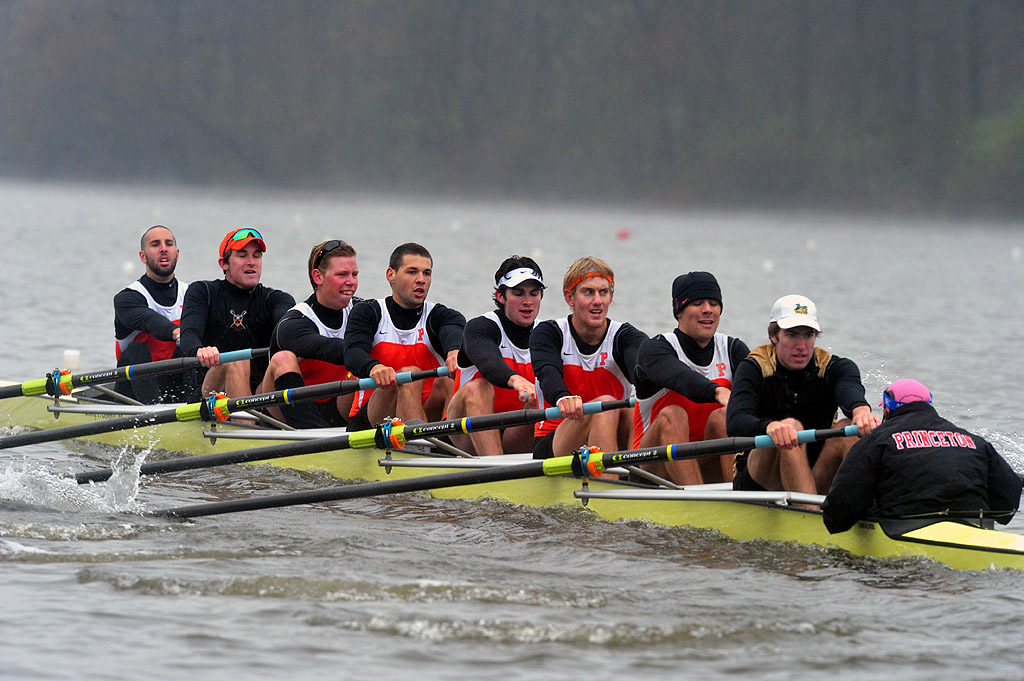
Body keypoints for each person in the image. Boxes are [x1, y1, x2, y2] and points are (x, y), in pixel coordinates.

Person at [726, 294, 878, 496]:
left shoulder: (835, 367)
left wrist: (861, 412)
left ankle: (876, 508)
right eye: (791, 335)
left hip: (815, 473)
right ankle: (811, 515)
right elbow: (736, 422)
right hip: (760, 479)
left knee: (848, 428)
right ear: (774, 336)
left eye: (808, 335)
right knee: (791, 427)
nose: (801, 345)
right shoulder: (753, 368)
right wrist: (770, 427)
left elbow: (849, 389)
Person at [822, 379, 1021, 533]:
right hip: (975, 524)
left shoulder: (876, 441)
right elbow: (1007, 507)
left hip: (903, 528)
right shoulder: (975, 442)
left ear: (886, 410)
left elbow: (837, 517)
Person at [633, 271, 750, 484]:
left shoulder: (733, 349)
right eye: (698, 303)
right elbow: (681, 377)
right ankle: (697, 499)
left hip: (706, 462)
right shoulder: (655, 349)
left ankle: (739, 495)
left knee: (722, 417)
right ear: (679, 311)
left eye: (714, 303)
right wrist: (718, 391)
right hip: (653, 467)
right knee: (673, 414)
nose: (708, 310)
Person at [531, 256, 646, 460]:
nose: (598, 301)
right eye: (588, 292)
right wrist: (561, 396)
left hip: (612, 430)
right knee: (606, 404)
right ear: (570, 298)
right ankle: (612, 484)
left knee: (633, 408)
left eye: (604, 292)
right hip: (555, 439)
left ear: (611, 296)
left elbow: (643, 368)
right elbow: (547, 372)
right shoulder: (549, 333)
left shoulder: (625, 336)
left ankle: (634, 475)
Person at [343, 242, 465, 428]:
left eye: (427, 273)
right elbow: (353, 353)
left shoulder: (441, 316)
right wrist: (373, 367)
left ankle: (442, 445)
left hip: (425, 415)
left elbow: (453, 330)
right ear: (391, 275)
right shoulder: (368, 312)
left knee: (447, 381)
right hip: (372, 419)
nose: (421, 280)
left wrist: (455, 351)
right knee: (409, 376)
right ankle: (424, 447)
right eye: (412, 272)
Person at [178, 228, 295, 398]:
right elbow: (188, 334)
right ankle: (247, 422)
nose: (251, 262)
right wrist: (200, 350)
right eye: (242, 255)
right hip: (210, 391)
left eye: (256, 255)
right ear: (224, 264)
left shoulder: (277, 299)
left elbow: (289, 334)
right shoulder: (202, 292)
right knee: (235, 359)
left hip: (259, 392)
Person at [447, 256, 544, 456]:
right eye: (518, 293)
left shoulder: (547, 334)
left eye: (534, 294)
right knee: (478, 388)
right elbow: (488, 361)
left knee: (537, 400)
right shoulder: (480, 327)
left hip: (515, 433)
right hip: (465, 433)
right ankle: (496, 468)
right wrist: (517, 380)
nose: (528, 301)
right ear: (500, 296)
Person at [260, 240, 360, 428]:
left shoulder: (363, 310)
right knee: (283, 359)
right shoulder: (294, 322)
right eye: (342, 274)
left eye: (354, 274)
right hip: (288, 415)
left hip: (338, 407)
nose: (351, 282)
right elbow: (329, 349)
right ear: (318, 277)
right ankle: (315, 436)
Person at [112, 225, 191, 403]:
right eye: (155, 244)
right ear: (143, 256)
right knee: (138, 349)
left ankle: (192, 406)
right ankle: (155, 412)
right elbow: (150, 321)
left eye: (168, 244)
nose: (163, 248)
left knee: (192, 348)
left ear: (177, 254)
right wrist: (178, 332)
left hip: (176, 388)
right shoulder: (127, 298)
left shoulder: (192, 294)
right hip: (131, 395)